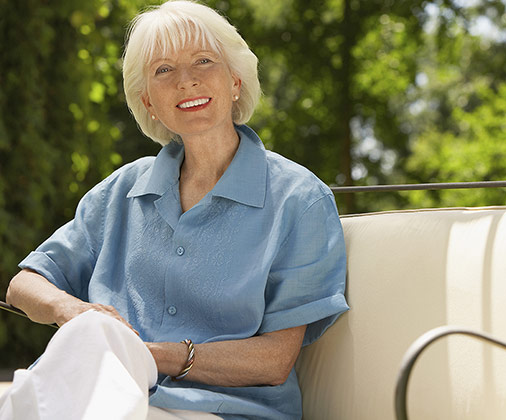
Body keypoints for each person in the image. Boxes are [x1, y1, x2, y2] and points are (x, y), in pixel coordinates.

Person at [0, 1, 348, 419]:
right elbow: (25, 284)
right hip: (95, 391)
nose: (187, 81)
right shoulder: (123, 189)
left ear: (235, 81)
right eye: (164, 70)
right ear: (148, 101)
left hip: (221, 410)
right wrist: (72, 311)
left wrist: (145, 356)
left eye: (204, 61)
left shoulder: (299, 199)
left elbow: (272, 361)